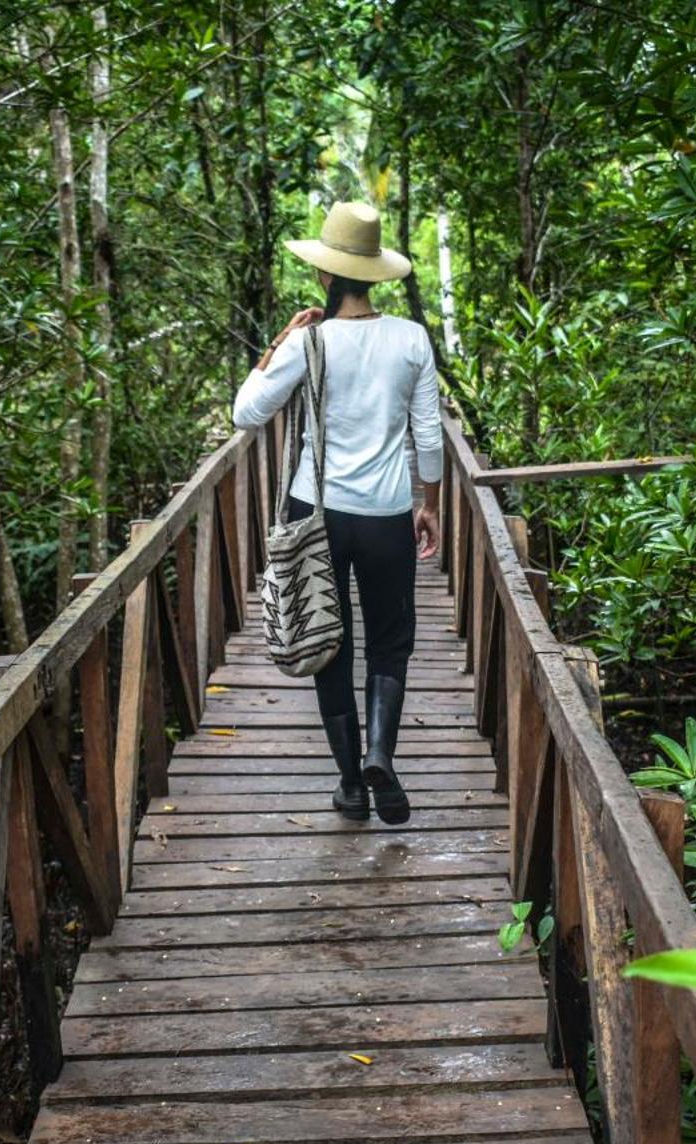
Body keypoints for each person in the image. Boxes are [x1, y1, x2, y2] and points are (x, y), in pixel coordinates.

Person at [232, 201, 442, 825]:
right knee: (391, 642)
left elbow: (246, 412)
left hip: (316, 510)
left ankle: (351, 785)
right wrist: (426, 503)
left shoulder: (310, 340)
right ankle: (382, 753)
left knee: (328, 643)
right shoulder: (410, 338)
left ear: (326, 276)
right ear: (374, 275)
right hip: (386, 513)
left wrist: (281, 341)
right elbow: (427, 436)